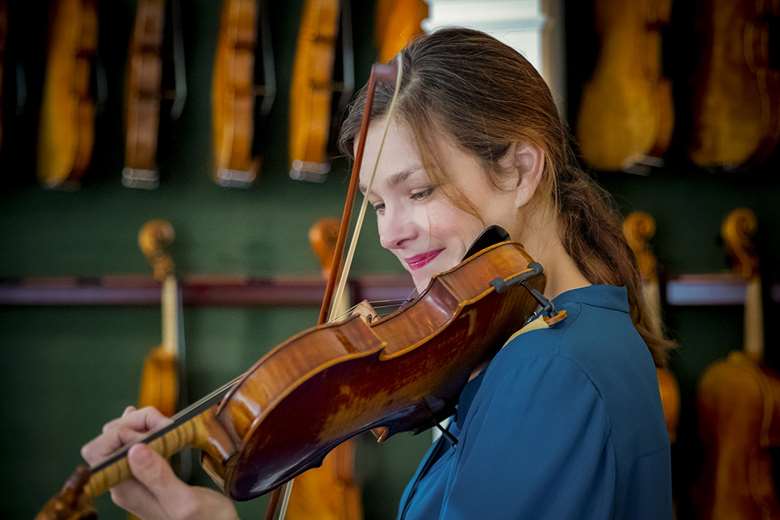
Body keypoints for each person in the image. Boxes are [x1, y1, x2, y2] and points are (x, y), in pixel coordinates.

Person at [81, 27, 673, 519]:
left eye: (418, 190)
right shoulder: (576, 333)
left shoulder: (549, 368)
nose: (390, 234)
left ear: (520, 168)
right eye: (379, 204)